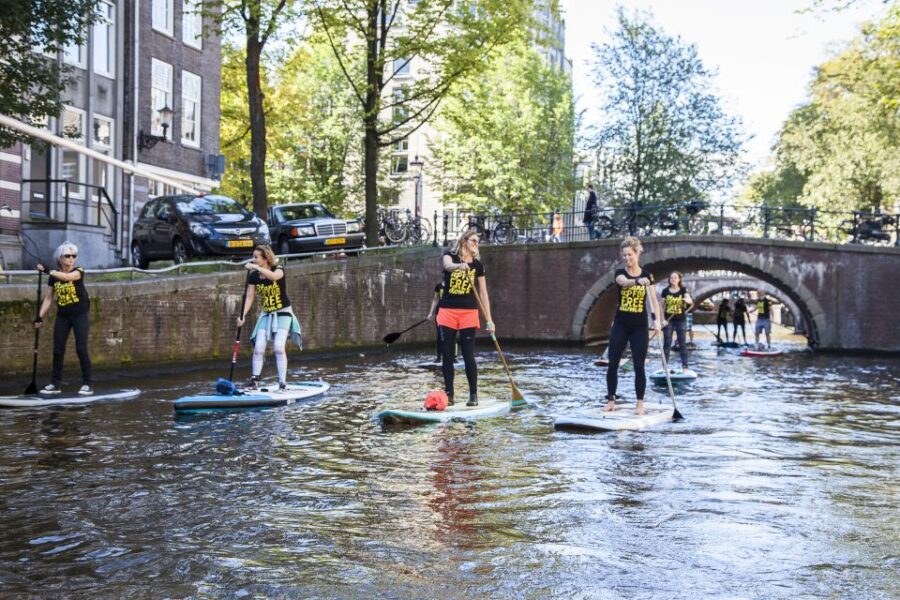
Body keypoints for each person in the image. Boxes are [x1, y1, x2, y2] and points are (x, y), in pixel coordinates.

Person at [603, 236, 662, 416]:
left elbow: (653, 300)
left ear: (637, 253)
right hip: (621, 324)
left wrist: (657, 321)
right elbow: (624, 282)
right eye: (625, 256)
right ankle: (611, 400)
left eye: (630, 255)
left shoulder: (647, 275)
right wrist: (636, 282)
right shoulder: (620, 272)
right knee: (612, 362)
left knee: (638, 365)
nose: (627, 259)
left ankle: (640, 404)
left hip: (639, 326)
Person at [436, 229, 495, 406]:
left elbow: (483, 294)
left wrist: (489, 320)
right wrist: (459, 266)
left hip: (469, 313)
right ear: (464, 241)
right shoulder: (450, 256)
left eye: (478, 242)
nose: (476, 245)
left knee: (468, 354)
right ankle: (450, 395)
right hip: (447, 311)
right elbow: (447, 266)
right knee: (447, 355)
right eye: (473, 241)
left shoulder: (478, 265)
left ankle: (473, 395)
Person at [237, 245, 301, 391]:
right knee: (259, 348)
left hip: (283, 312)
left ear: (265, 258)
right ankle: (254, 381)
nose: (253, 260)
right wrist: (242, 316)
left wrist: (256, 267)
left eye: (256, 257)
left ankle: (282, 383)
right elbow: (249, 297)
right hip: (266, 313)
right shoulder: (253, 276)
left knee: (278, 348)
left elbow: (273, 277)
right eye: (253, 257)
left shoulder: (278, 269)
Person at [34, 242, 93, 395]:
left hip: (80, 315)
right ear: (60, 258)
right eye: (67, 256)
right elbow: (48, 299)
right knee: (58, 350)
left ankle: (87, 383)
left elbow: (67, 277)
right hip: (63, 316)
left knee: (81, 348)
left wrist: (48, 271)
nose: (71, 259)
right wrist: (39, 316)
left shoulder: (78, 271)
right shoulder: (54, 277)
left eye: (74, 256)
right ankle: (55, 384)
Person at [661, 271, 692, 371]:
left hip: (680, 320)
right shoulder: (665, 291)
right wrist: (662, 320)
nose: (673, 279)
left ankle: (685, 366)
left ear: (679, 279)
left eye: (675, 278)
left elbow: (689, 300)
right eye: (671, 278)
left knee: (682, 343)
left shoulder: (683, 290)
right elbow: (661, 307)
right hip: (668, 321)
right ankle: (664, 367)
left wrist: (687, 300)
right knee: (667, 343)